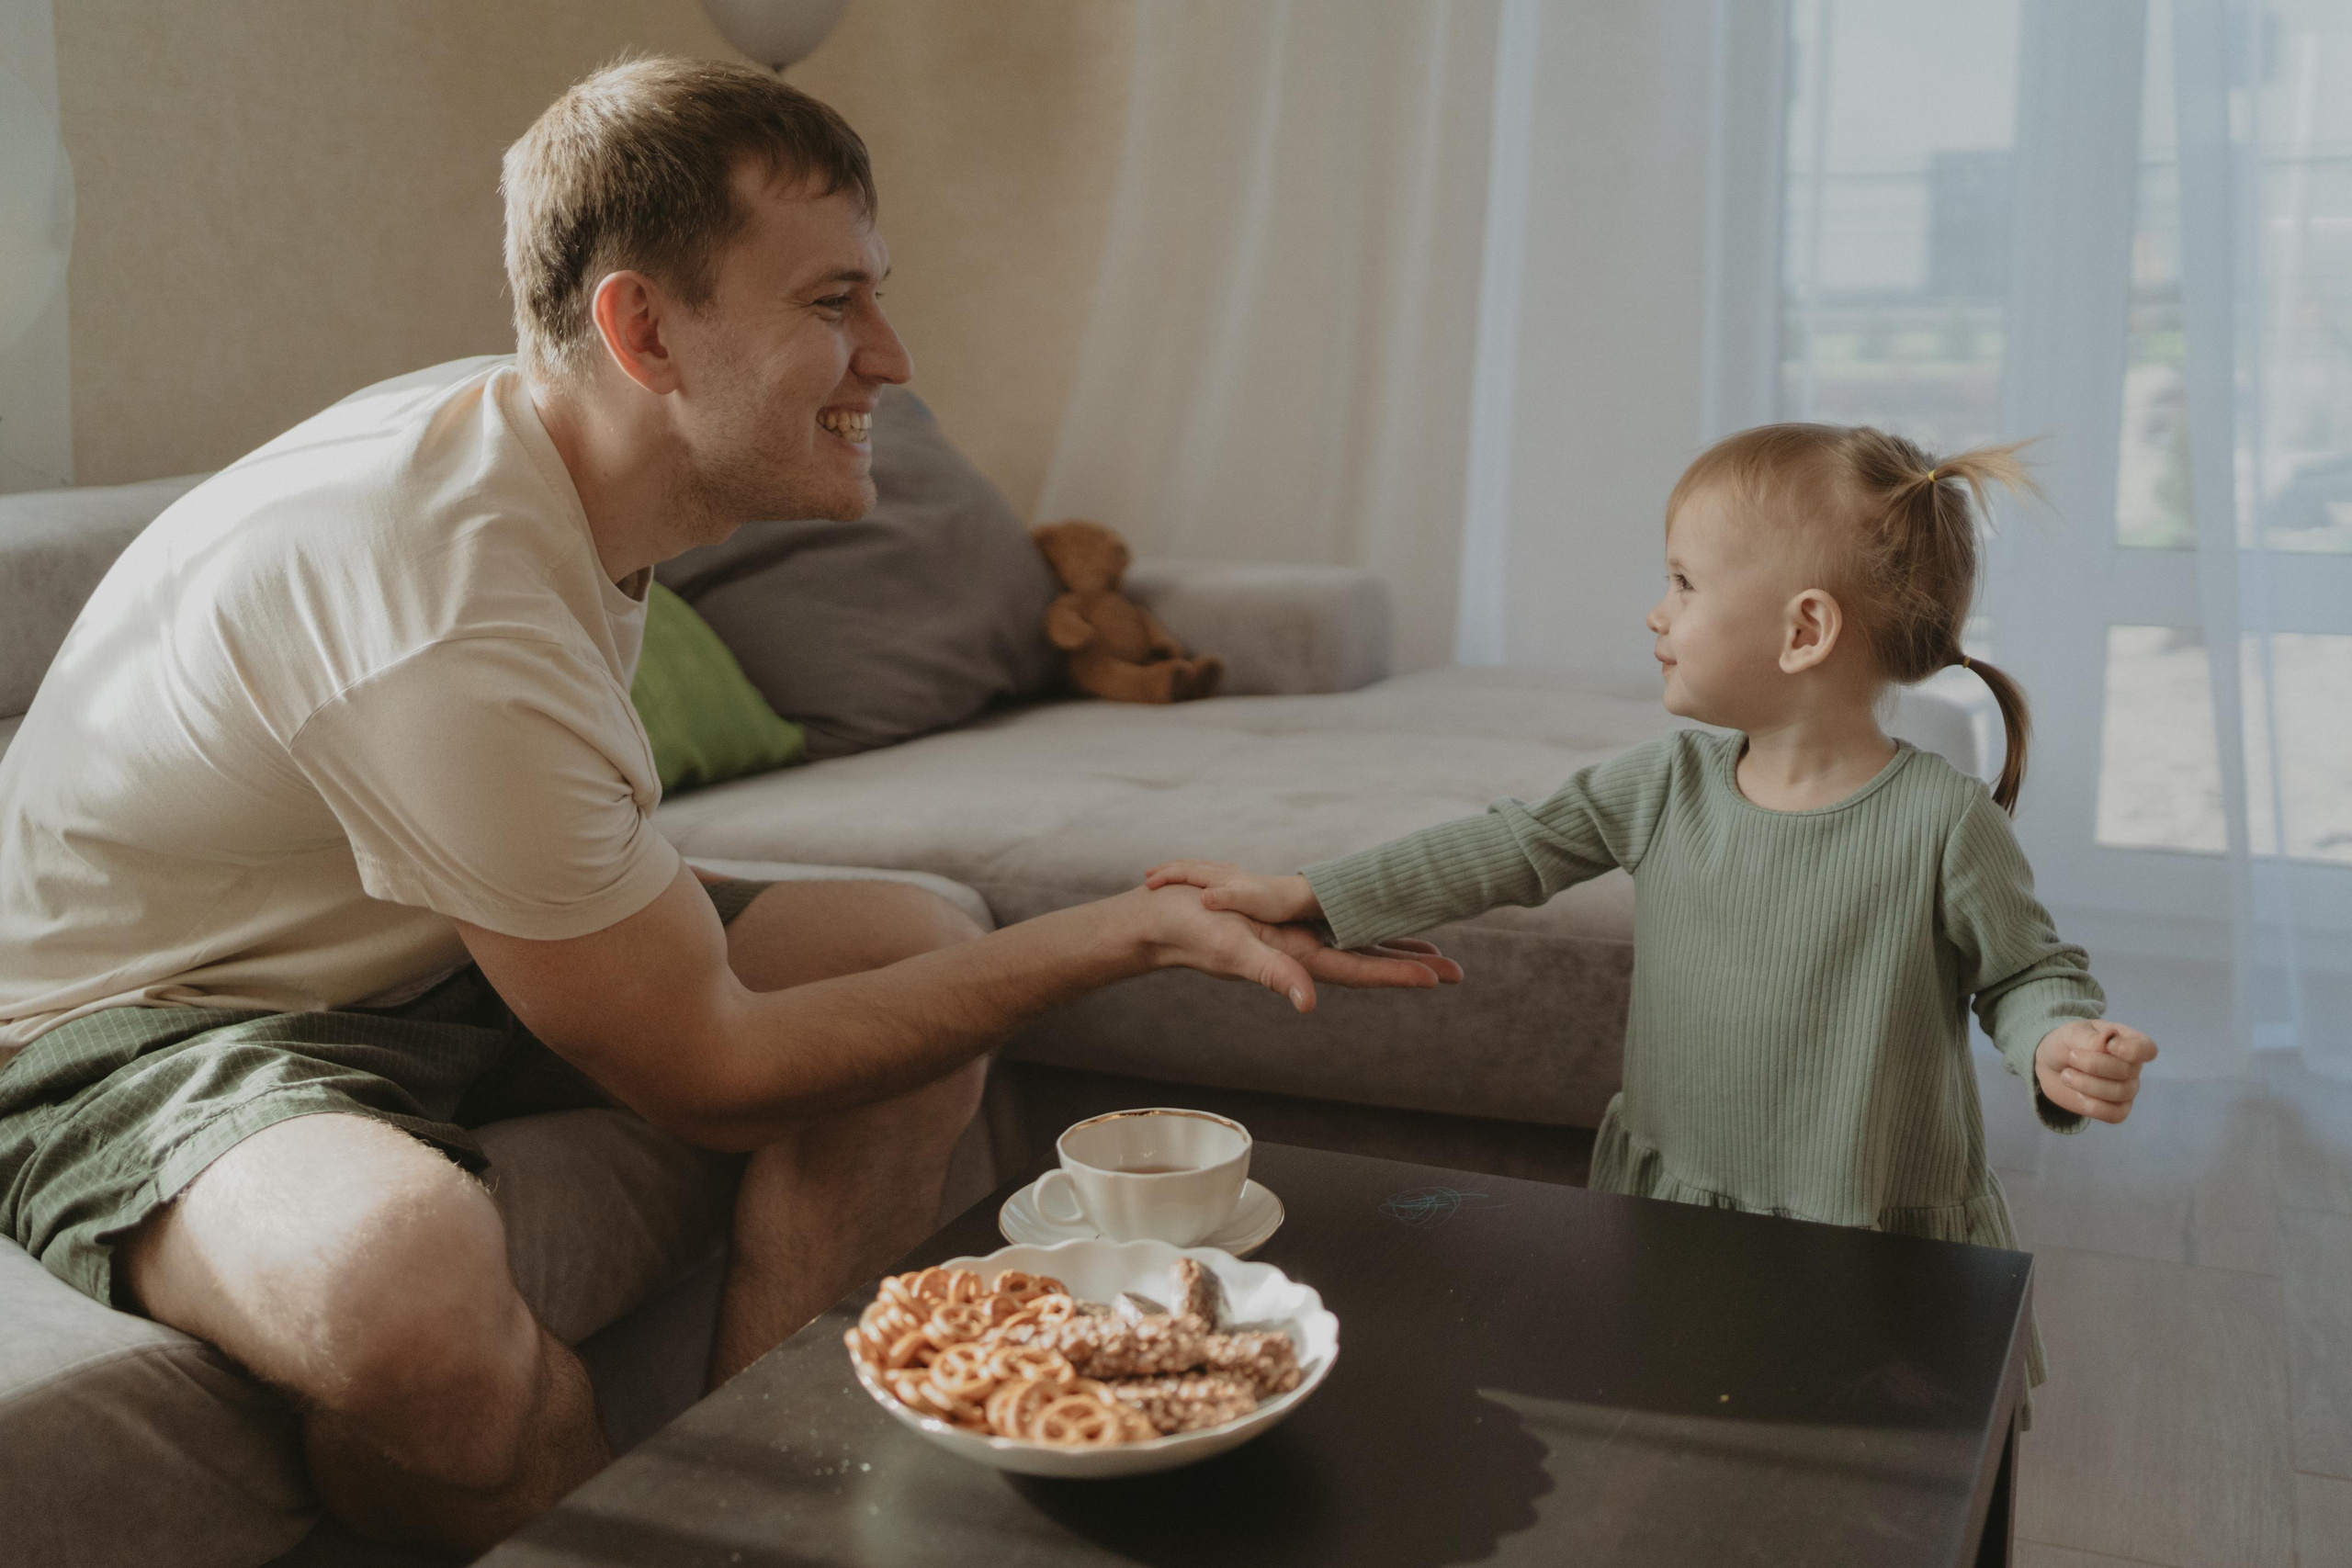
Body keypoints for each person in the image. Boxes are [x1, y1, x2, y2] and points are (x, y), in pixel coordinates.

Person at [0, 58, 1459, 1554]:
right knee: (409, 1289)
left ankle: (764, 1496)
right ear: (643, 328)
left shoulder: (557, 468)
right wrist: (1129, 932)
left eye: (874, 295)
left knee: (906, 932)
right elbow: (704, 1069)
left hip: (413, 933)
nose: (890, 356)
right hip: (147, 1014)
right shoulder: (444, 591)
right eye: (832, 304)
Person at [1148, 423, 2160, 1407]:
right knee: (1695, 1412)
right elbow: (1506, 847)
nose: (1654, 614)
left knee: (1883, 1456)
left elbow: (2023, 975)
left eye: (1683, 583)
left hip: (1870, 1220)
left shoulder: (1943, 820)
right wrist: (1316, 894)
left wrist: (2058, 1042)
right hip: (1683, 1196)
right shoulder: (1663, 784)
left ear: (1804, 631)